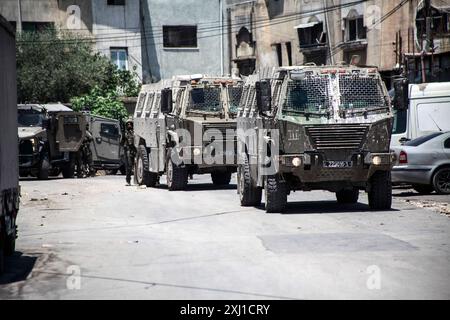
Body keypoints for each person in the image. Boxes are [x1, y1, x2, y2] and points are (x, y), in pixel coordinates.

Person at [121, 117, 136, 185]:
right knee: (128, 166)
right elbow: (121, 142)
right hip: (127, 150)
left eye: (130, 124)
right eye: (128, 124)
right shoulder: (125, 133)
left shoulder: (135, 132)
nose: (129, 125)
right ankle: (128, 180)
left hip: (134, 150)